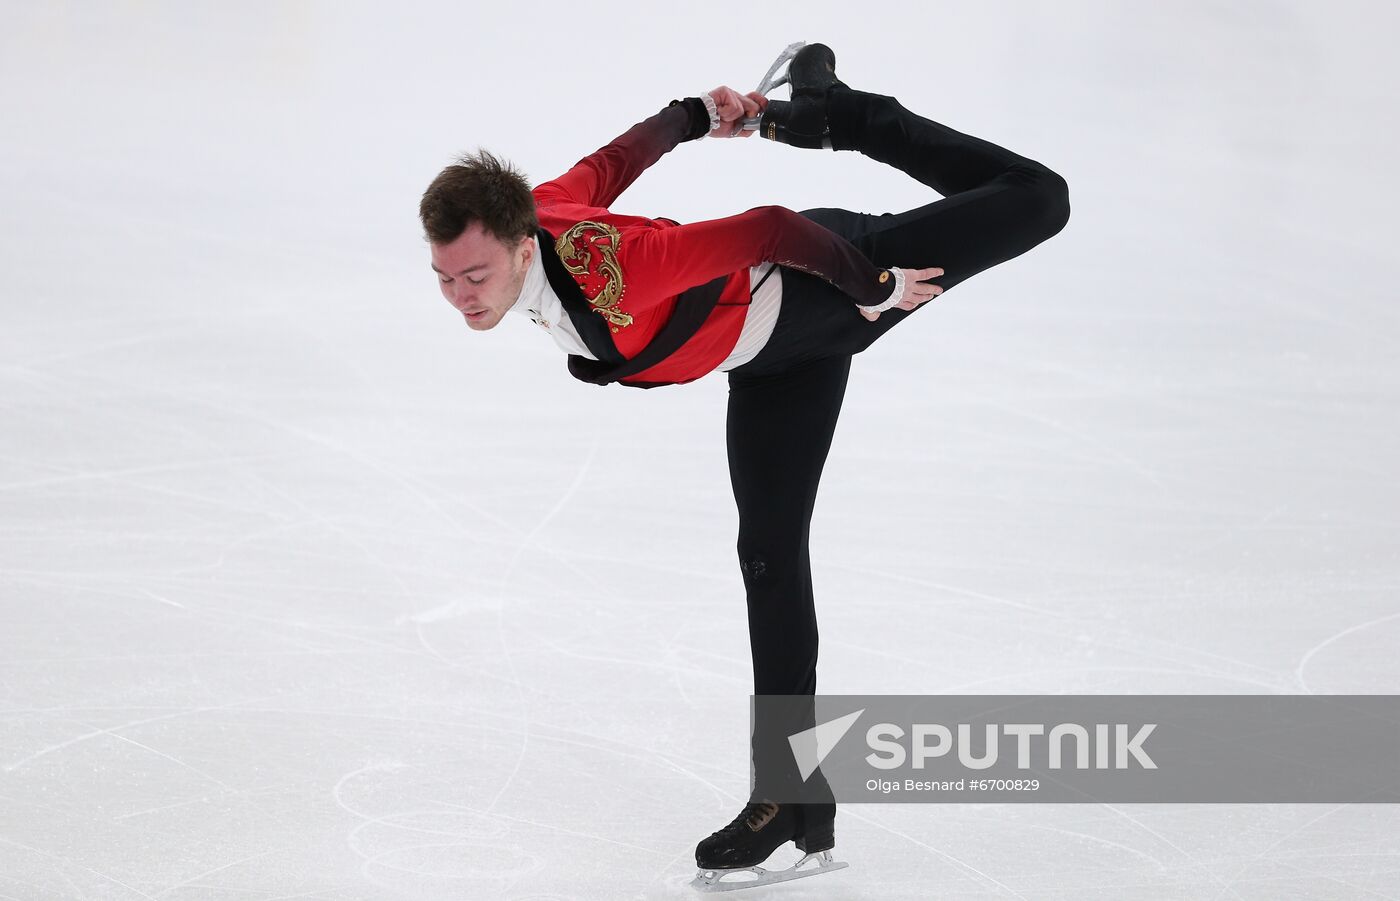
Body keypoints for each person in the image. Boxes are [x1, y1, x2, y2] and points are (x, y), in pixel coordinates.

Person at [418, 42, 1070, 891]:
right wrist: (694, 114)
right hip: (770, 361)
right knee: (767, 552)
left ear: (517, 242)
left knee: (1041, 198)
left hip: (832, 279)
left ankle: (847, 115)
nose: (463, 295)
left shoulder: (617, 274)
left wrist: (872, 284)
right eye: (443, 279)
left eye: (475, 273)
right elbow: (617, 161)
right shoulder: (537, 212)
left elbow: (768, 228)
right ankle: (790, 792)